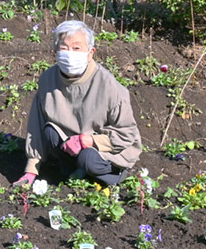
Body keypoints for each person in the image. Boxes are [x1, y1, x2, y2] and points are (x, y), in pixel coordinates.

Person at [15, 20, 141, 187]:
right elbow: (36, 126)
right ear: (55, 52)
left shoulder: (108, 85)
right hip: (69, 145)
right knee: (50, 131)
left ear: (90, 53)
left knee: (87, 158)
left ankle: (113, 175)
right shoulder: (48, 80)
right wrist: (31, 170)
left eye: (76, 48)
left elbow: (127, 134)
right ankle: (73, 171)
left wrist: (87, 141)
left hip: (102, 148)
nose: (70, 53)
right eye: (64, 48)